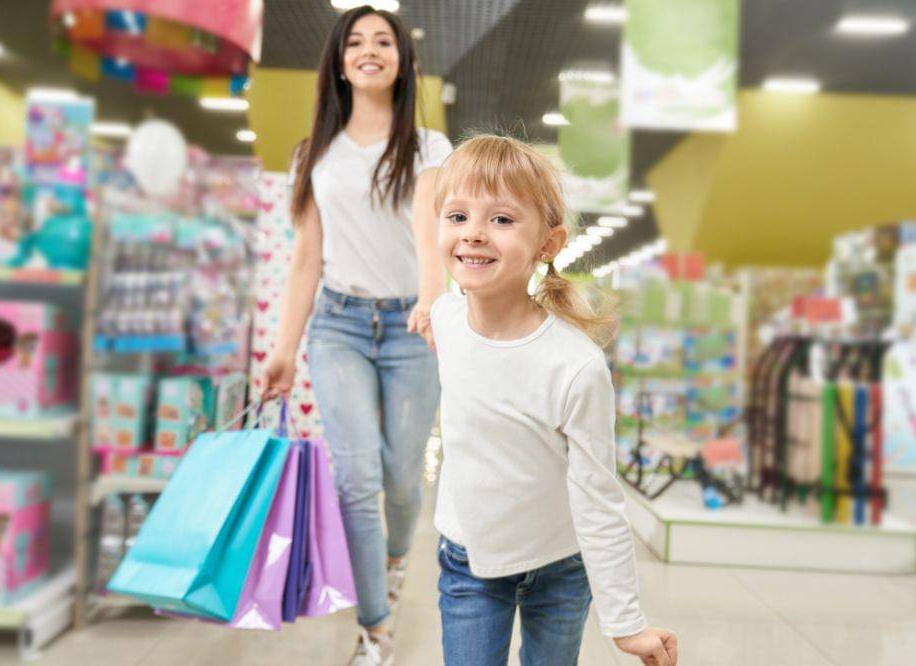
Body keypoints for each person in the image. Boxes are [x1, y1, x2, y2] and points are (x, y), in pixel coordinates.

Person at [427, 135, 679, 666]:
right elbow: (438, 320)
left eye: (501, 219)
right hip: (469, 561)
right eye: (456, 216)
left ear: (548, 243)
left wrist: (626, 622)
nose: (473, 232)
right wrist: (420, 314)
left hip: (560, 568)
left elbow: (598, 498)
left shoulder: (575, 366)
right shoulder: (446, 319)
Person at [259, 5, 451, 665]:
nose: (370, 50)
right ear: (339, 62)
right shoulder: (314, 153)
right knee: (355, 476)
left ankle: (395, 559)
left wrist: (432, 300)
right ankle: (375, 629)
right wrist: (283, 347)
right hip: (338, 325)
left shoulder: (430, 148)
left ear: (402, 60)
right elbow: (307, 256)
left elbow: (429, 233)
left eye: (383, 41)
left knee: (402, 475)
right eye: (357, 42)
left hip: (409, 328)